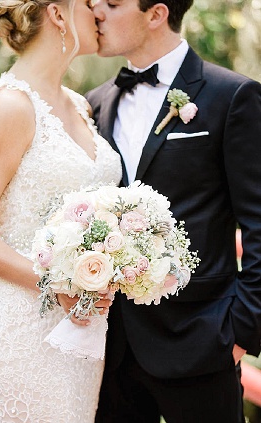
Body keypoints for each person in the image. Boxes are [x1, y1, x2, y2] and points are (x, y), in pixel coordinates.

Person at [85, 1, 261, 422]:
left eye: (111, 3)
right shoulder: (94, 104)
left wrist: (242, 331)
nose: (96, 12)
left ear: (156, 13)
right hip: (110, 349)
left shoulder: (232, 95)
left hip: (202, 339)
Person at [0, 0, 122, 421]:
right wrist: (53, 283)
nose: (99, 10)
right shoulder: (9, 107)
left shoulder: (79, 105)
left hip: (82, 332)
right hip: (21, 328)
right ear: (59, 14)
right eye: (89, 2)